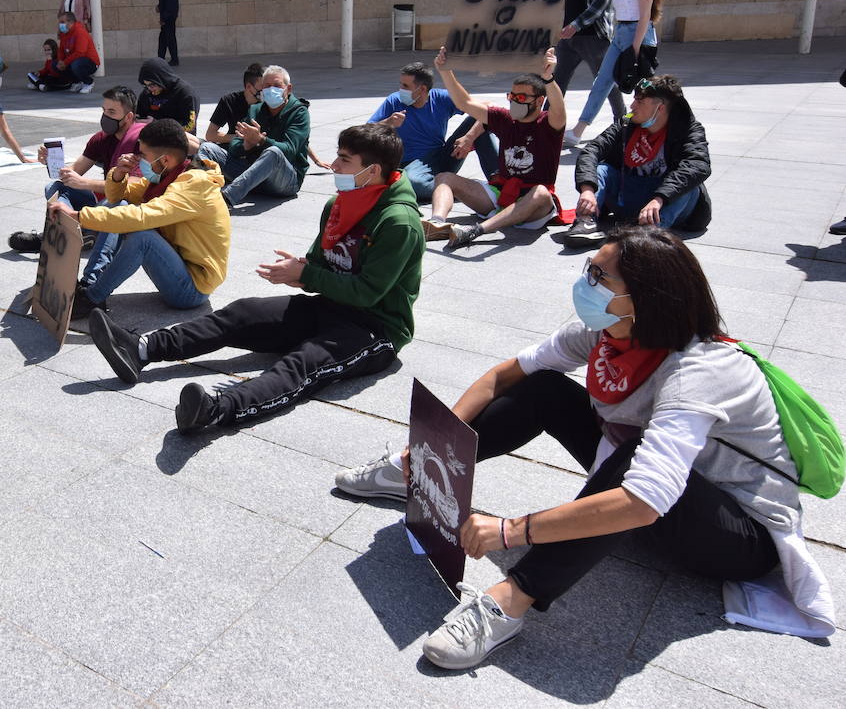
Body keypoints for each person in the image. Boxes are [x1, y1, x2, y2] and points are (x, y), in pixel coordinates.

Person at [335, 228, 835, 669]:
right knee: (543, 388)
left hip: (737, 534)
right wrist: (429, 446)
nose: (584, 281)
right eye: (588, 268)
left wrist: (512, 531)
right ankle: (411, 475)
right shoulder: (605, 334)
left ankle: (508, 604)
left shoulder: (701, 371)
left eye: (600, 277)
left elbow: (644, 500)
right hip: (654, 495)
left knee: (634, 457)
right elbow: (503, 375)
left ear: (645, 300)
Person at [89, 124, 422, 433]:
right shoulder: (339, 204)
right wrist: (301, 271)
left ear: (373, 171)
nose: (333, 165)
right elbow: (321, 263)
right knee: (243, 311)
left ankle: (216, 410)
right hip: (331, 305)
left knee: (301, 365)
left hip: (375, 328)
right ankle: (142, 349)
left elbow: (367, 293)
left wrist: (307, 274)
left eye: (344, 160)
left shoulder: (398, 222)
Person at [59, 117, 229, 319]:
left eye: (144, 155)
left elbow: (141, 216)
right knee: (120, 206)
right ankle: (90, 282)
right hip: (177, 265)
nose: (139, 160)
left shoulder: (194, 185)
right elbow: (117, 197)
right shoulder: (171, 174)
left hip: (192, 290)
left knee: (143, 237)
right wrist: (119, 175)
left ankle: (92, 299)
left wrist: (78, 216)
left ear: (165, 160)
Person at [427, 47, 566, 250]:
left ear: (539, 101)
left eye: (521, 98)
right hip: (500, 193)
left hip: (533, 207)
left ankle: (476, 231)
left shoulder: (549, 123)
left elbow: (559, 108)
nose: (514, 101)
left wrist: (548, 78)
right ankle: (436, 223)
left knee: (541, 193)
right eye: (512, 96)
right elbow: (465, 102)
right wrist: (445, 71)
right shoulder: (505, 119)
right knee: (444, 178)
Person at [564, 75, 711, 246]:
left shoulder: (689, 129)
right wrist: (587, 189)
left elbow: (698, 165)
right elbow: (592, 149)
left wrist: (660, 198)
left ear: (660, 108)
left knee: (690, 185)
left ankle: (649, 231)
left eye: (640, 102)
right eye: (634, 100)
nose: (632, 106)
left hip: (665, 203)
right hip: (629, 193)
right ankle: (586, 221)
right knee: (602, 170)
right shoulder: (626, 123)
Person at [7, 85, 146, 253]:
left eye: (112, 112)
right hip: (99, 203)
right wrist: (51, 161)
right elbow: (72, 172)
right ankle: (75, 233)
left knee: (116, 203)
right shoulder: (100, 138)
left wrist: (83, 183)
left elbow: (129, 187)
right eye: (104, 110)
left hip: (124, 206)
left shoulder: (141, 141)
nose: (105, 117)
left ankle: (58, 236)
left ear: (129, 117)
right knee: (54, 187)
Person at [569, 0, 665, 145]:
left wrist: (635, 48)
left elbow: (645, 17)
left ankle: (650, 126)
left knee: (642, 85)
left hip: (637, 35)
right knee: (602, 80)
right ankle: (578, 129)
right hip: (621, 33)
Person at [367, 61, 500, 204]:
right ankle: (468, 190)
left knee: (480, 120)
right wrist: (388, 123)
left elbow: (489, 108)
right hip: (412, 163)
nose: (401, 90)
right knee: (415, 184)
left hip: (443, 156)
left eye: (405, 86)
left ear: (422, 89)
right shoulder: (394, 101)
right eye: (400, 84)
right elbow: (366, 131)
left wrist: (468, 138)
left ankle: (499, 181)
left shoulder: (441, 98)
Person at [197, 64, 311, 207]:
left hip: (284, 182)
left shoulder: (299, 113)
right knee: (207, 148)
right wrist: (245, 146)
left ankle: (226, 198)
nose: (271, 90)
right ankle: (198, 191)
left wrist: (262, 140)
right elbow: (235, 144)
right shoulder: (255, 110)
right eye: (267, 86)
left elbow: (289, 150)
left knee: (274, 152)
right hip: (253, 176)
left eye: (277, 85)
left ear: (288, 89)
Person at [553, 0, 622, 146]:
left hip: (593, 35)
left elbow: (602, 1)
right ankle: (548, 123)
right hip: (569, 37)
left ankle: (621, 122)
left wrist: (577, 24)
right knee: (555, 81)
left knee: (605, 82)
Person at [204, 63, 264, 145]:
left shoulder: (269, 104)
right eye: (263, 87)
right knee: (205, 147)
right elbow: (210, 135)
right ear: (249, 86)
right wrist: (238, 137)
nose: (266, 91)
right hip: (234, 148)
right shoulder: (229, 101)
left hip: (261, 149)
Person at [137, 57, 197, 133]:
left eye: (152, 84)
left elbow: (190, 127)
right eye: (146, 85)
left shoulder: (185, 93)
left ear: (162, 78)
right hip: (152, 139)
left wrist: (158, 125)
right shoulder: (147, 93)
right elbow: (139, 115)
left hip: (178, 140)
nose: (150, 89)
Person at [53, 12, 99, 94]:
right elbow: (61, 50)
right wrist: (60, 61)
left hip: (90, 62)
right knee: (54, 64)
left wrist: (65, 62)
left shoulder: (80, 32)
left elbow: (80, 52)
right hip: (73, 60)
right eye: (60, 22)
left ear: (70, 22)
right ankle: (76, 82)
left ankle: (88, 82)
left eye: (62, 22)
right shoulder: (64, 33)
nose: (60, 25)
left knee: (76, 64)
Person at [156, 0, 179, 65]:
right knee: (164, 38)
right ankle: (161, 58)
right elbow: (164, 1)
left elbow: (170, 3)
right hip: (166, 15)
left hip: (169, 17)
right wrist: (159, 7)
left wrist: (164, 18)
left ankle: (174, 59)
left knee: (169, 39)